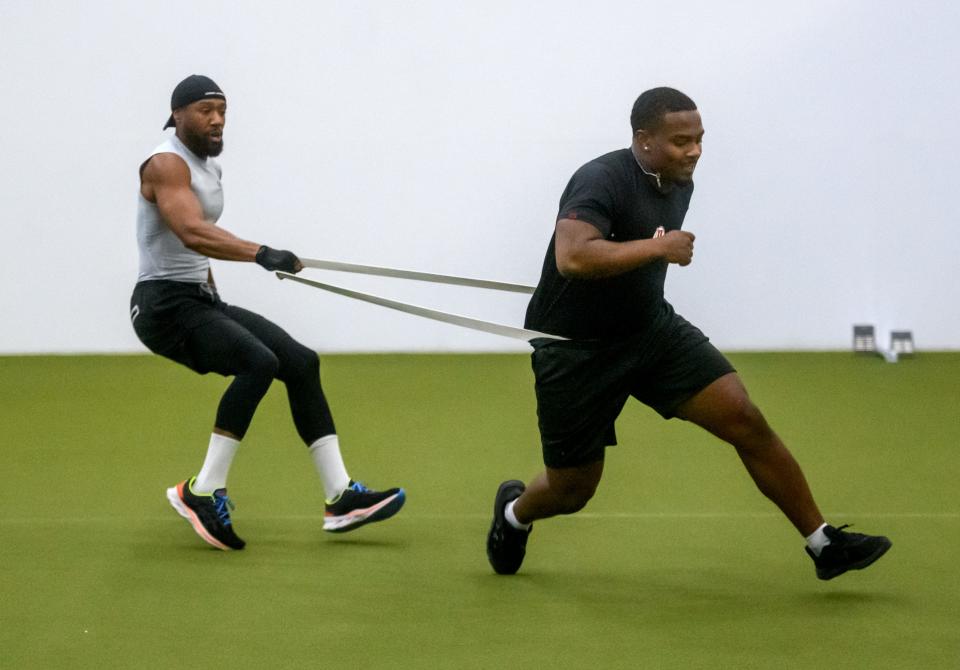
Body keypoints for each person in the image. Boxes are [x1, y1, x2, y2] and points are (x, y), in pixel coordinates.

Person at [486, 87, 891, 580]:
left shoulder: (678, 181)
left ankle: (823, 544)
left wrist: (655, 255)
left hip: (650, 332)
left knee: (744, 417)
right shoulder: (600, 179)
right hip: (576, 353)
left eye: (699, 139)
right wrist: (658, 250)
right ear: (644, 140)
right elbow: (571, 257)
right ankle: (513, 514)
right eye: (681, 141)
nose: (694, 151)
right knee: (572, 491)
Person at [131, 74, 405, 551]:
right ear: (177, 115)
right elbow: (192, 233)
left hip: (196, 299)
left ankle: (340, 497)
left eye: (222, 110)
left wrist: (215, 289)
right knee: (259, 362)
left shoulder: (205, 167)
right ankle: (201, 490)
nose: (217, 119)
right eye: (205, 110)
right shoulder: (165, 165)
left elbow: (194, 249)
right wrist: (261, 253)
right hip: (162, 306)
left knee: (300, 361)